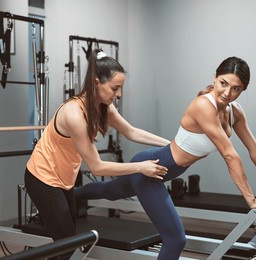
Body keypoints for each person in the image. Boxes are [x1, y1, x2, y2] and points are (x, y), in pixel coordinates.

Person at [75, 56, 256, 260]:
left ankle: (69, 193)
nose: (227, 92)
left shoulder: (235, 112)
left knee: (109, 191)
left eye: (236, 89)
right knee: (175, 239)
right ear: (215, 77)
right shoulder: (204, 106)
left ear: (243, 90)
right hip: (151, 170)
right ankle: (65, 194)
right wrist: (251, 200)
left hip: (163, 168)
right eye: (223, 83)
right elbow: (230, 155)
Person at [24, 49, 169, 259]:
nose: (118, 94)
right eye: (115, 88)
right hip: (42, 179)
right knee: (66, 247)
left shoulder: (103, 107)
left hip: (64, 180)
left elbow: (131, 131)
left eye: (120, 89)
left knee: (65, 244)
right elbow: (97, 167)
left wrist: (172, 146)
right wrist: (141, 167)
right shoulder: (74, 114)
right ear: (96, 83)